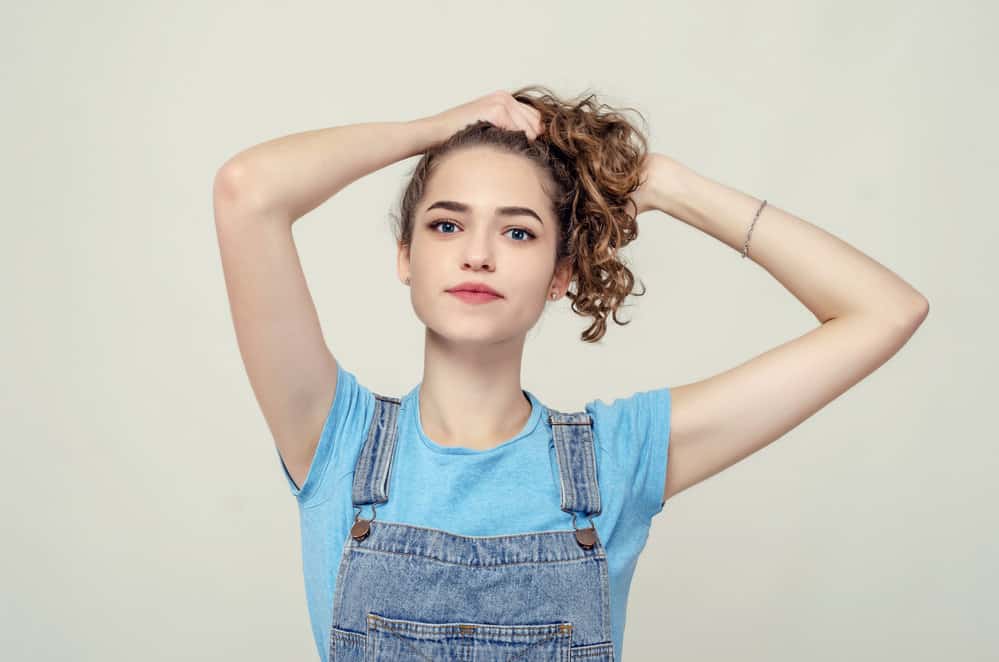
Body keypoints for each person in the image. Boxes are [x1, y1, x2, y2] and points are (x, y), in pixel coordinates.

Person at [212, 86, 929, 661]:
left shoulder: (618, 457)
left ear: (560, 276)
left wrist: (669, 186)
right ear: (406, 256)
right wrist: (436, 130)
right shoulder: (334, 441)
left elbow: (885, 310)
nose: (478, 254)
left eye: (518, 231)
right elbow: (248, 190)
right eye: (446, 224)